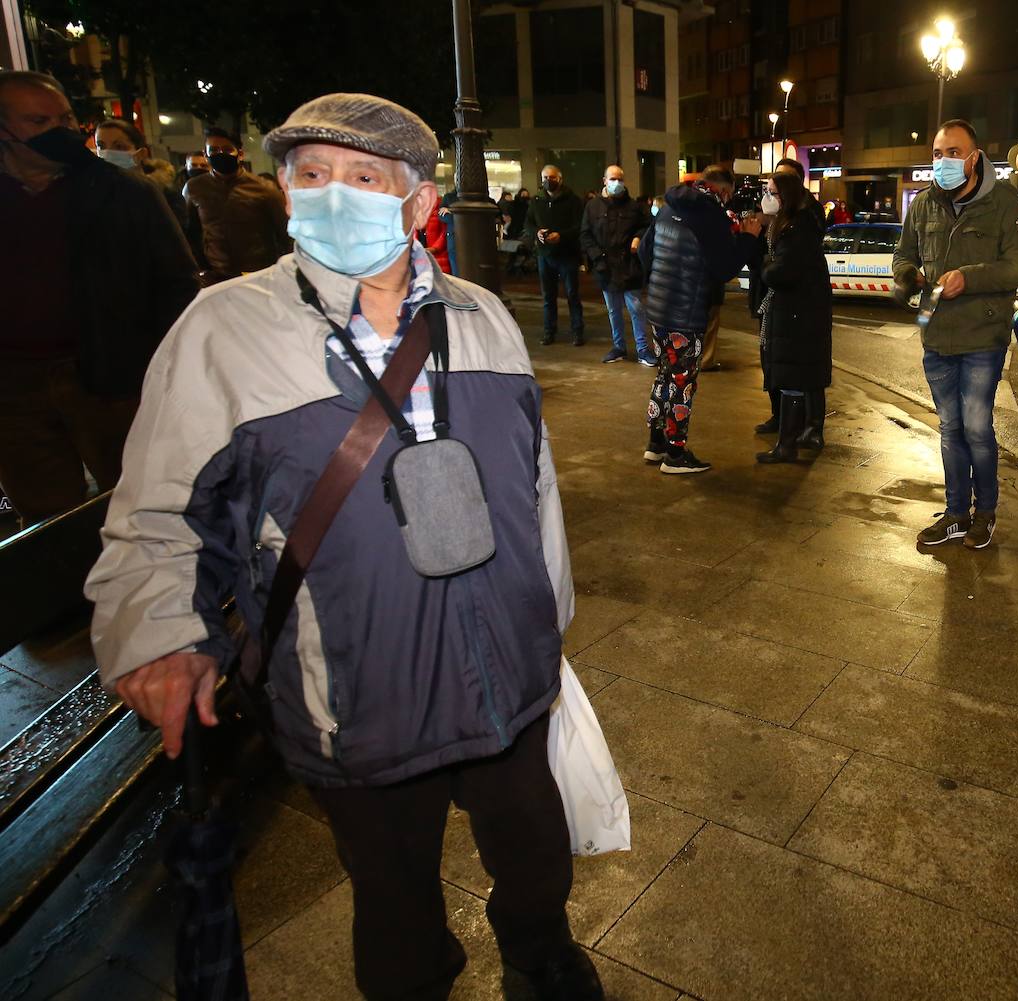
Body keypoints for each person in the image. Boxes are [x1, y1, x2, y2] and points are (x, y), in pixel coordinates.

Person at [84, 92, 603, 1001]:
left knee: (532, 848)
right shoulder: (221, 331)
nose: (333, 196)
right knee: (392, 895)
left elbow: (535, 487)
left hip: (507, 673)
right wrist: (160, 635)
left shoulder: (485, 318)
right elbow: (159, 511)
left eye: (364, 178)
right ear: (283, 193)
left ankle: (538, 946)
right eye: (311, 176)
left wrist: (549, 620)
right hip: (356, 686)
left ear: (419, 205)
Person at [0, 71, 199, 527]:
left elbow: (176, 284)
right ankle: (72, 592)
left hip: (110, 377)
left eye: (65, 117)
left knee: (139, 501)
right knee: (46, 513)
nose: (61, 130)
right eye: (38, 120)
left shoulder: (125, 194)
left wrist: (155, 369)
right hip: (14, 388)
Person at [891, 119, 1018, 550]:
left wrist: (967, 279)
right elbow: (903, 254)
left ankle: (984, 512)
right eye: (937, 153)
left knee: (975, 427)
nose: (943, 161)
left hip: (982, 336)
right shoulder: (923, 204)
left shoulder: (1005, 202)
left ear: (974, 158)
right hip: (936, 335)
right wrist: (907, 275)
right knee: (950, 429)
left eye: (952, 153)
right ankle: (956, 513)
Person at [638, 163, 763, 473]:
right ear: (721, 190)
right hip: (686, 312)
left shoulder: (669, 207)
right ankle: (676, 456)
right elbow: (723, 270)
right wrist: (747, 239)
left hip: (658, 308)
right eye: (729, 195)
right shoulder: (711, 216)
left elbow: (644, 252)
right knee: (683, 383)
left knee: (665, 375)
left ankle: (655, 444)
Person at [752, 170, 831, 463]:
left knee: (793, 377)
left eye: (772, 192)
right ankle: (786, 442)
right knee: (790, 379)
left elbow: (782, 272)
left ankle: (788, 444)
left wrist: (766, 264)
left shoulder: (799, 228)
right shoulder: (786, 225)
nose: (767, 197)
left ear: (786, 195)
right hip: (794, 313)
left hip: (799, 315)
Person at [183, 126, 292, 283]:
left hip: (257, 275)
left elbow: (284, 234)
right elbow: (191, 233)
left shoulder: (264, 188)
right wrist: (201, 269)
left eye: (226, 149)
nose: (220, 154)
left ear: (239, 154)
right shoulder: (194, 188)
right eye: (213, 150)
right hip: (216, 276)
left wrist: (280, 272)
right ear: (205, 155)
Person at [581, 164, 653, 364]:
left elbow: (647, 225)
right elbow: (585, 235)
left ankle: (643, 349)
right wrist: (597, 257)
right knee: (613, 310)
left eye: (620, 179)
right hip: (606, 266)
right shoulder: (593, 206)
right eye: (612, 179)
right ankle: (619, 346)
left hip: (629, 265)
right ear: (604, 181)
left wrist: (638, 238)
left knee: (636, 307)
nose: (617, 183)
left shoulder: (634, 207)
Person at [523, 165, 585, 346]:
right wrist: (538, 233)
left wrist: (562, 236)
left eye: (552, 177)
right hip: (545, 255)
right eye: (545, 177)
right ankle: (549, 331)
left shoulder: (573, 201)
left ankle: (577, 331)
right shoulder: (536, 200)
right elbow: (528, 223)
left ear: (560, 179)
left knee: (572, 294)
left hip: (567, 254)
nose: (548, 181)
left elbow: (579, 226)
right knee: (548, 296)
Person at [94, 117, 186, 225]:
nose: (108, 153)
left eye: (119, 146)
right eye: (101, 146)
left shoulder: (166, 196)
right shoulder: (95, 196)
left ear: (141, 154)